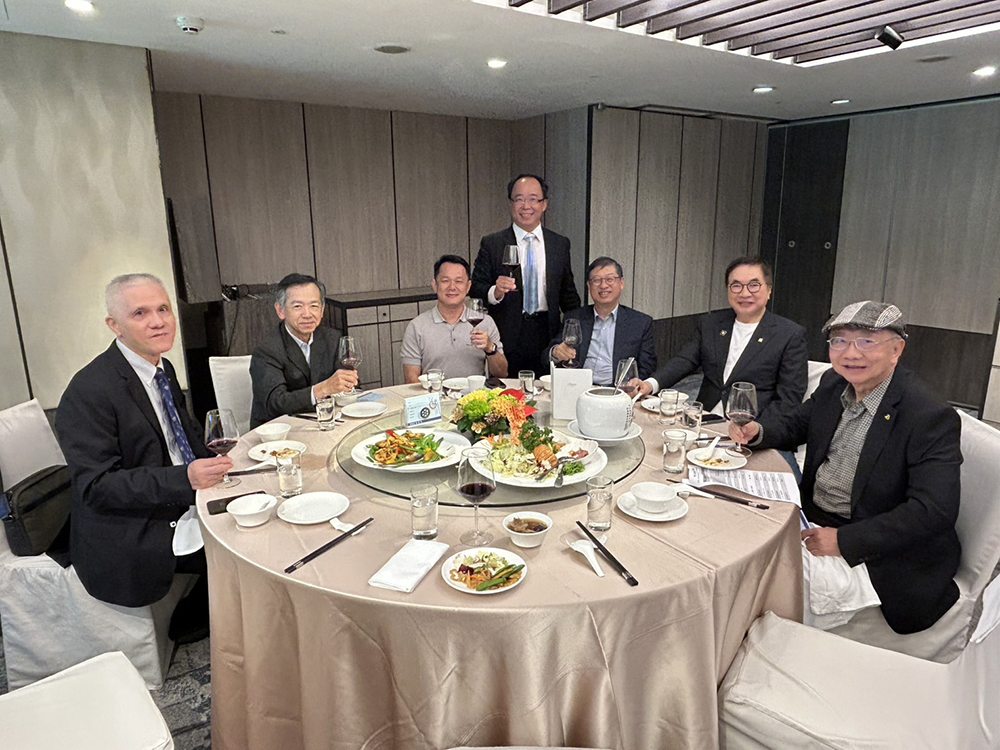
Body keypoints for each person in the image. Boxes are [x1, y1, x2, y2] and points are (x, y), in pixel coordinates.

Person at [730, 301, 962, 634]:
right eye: (839, 341)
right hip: (814, 519)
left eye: (866, 341)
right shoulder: (835, 384)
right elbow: (797, 424)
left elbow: (934, 510)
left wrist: (845, 541)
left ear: (896, 350)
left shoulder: (927, 415)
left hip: (878, 550)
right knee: (738, 544)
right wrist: (759, 432)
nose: (851, 353)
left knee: (761, 584)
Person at [56, 273, 232, 642]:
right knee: (239, 545)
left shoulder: (161, 368)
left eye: (163, 309)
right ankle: (198, 617)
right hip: (130, 522)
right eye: (140, 313)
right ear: (114, 326)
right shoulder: (89, 390)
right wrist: (185, 479)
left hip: (175, 494)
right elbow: (96, 486)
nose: (158, 321)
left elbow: (183, 436)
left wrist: (224, 467)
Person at [630, 256, 807, 422]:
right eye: (736, 286)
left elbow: (788, 398)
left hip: (754, 426)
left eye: (754, 285)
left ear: (769, 290)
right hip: (705, 419)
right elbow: (684, 361)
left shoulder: (789, 334)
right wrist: (650, 384)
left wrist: (758, 430)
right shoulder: (711, 324)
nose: (744, 293)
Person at [471, 174, 581, 373]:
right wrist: (496, 292)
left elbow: (568, 295)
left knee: (547, 388)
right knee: (508, 389)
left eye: (533, 199)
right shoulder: (492, 243)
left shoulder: (559, 244)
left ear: (544, 204)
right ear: (510, 204)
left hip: (548, 334)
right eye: (519, 199)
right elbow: (476, 288)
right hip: (507, 335)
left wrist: (573, 334)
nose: (526, 206)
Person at [250, 273, 357, 428]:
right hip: (280, 431)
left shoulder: (332, 338)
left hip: (323, 423)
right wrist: (322, 389)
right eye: (298, 306)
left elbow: (348, 383)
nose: (307, 314)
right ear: (280, 311)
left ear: (322, 310)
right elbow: (275, 403)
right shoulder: (267, 350)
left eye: (314, 306)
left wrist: (347, 383)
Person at [546, 256, 656, 384]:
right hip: (579, 387)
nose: (603, 285)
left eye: (610, 279)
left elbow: (648, 367)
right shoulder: (575, 318)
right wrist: (555, 353)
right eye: (596, 280)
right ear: (589, 286)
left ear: (621, 283)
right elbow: (548, 355)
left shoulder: (640, 323)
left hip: (617, 390)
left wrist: (633, 385)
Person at [401, 255, 508, 382]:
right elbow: (411, 380)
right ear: (435, 285)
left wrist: (490, 348)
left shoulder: (485, 322)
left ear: (468, 287)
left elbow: (502, 373)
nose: (452, 287)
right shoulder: (417, 326)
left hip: (474, 393)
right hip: (434, 393)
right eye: (445, 281)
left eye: (459, 281)